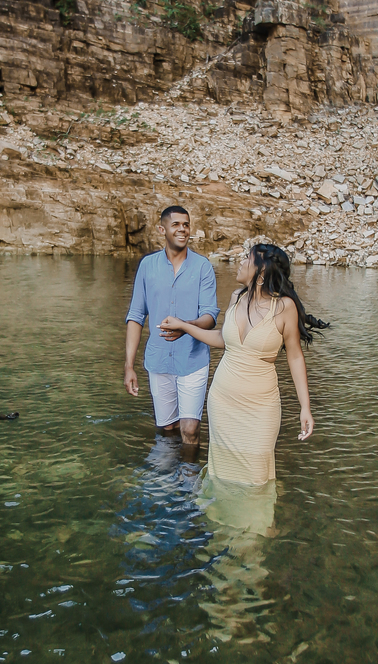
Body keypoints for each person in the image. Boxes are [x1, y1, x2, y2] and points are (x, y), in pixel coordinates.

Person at [161, 239, 326, 486]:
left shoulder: (284, 307)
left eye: (248, 258)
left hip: (260, 407)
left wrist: (305, 407)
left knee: (256, 476)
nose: (241, 261)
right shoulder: (237, 297)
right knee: (223, 473)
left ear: (261, 272)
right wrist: (185, 327)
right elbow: (223, 339)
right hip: (222, 401)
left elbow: (294, 356)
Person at [124, 205, 219, 448]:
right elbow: (136, 316)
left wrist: (185, 326)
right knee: (167, 429)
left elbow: (209, 316)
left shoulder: (202, 267)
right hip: (158, 359)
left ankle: (189, 472)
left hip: (193, 359)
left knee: (190, 429)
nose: (182, 229)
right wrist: (129, 366)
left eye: (186, 225)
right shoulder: (147, 266)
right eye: (176, 224)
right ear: (162, 229)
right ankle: (170, 470)